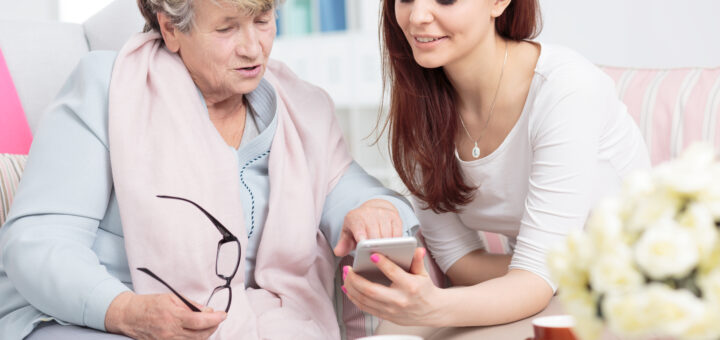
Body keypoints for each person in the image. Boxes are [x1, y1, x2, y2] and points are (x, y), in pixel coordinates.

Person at [0, 0, 419, 339]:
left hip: (252, 323)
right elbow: (38, 241)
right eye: (227, 28)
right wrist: (124, 311)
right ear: (170, 29)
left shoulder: (301, 108)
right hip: (98, 318)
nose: (253, 48)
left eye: (262, 19)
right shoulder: (108, 89)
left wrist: (373, 208)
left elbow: (350, 189)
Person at [342, 0, 651, 328]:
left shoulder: (566, 89)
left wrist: (436, 305)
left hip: (640, 296)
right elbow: (459, 260)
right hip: (550, 292)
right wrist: (534, 276)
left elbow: (534, 278)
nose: (417, 16)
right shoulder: (423, 109)